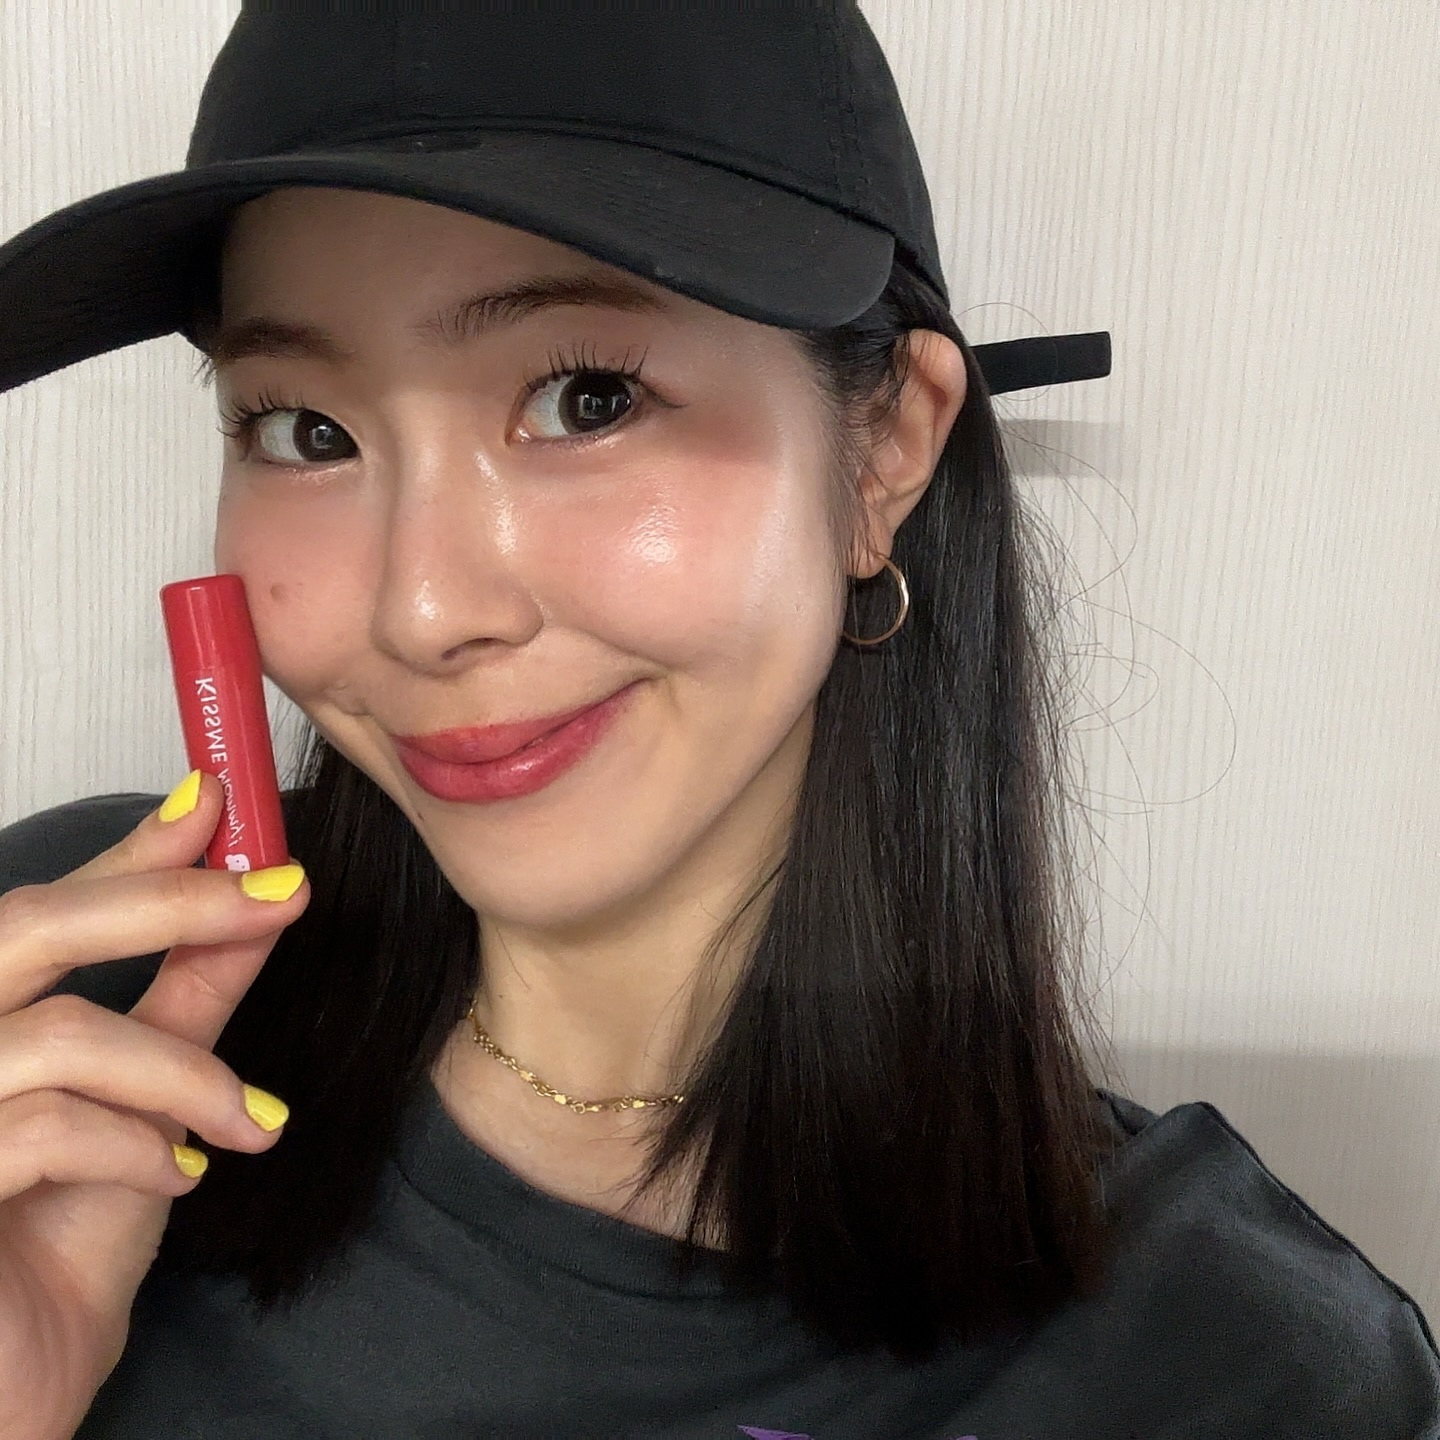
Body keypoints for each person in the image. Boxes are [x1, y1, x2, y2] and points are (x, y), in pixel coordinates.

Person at [0, 7, 1435, 1438]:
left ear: (883, 450)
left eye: (587, 398)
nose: (423, 610)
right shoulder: (70, 988)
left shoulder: (1233, 1371)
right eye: (303, 430)